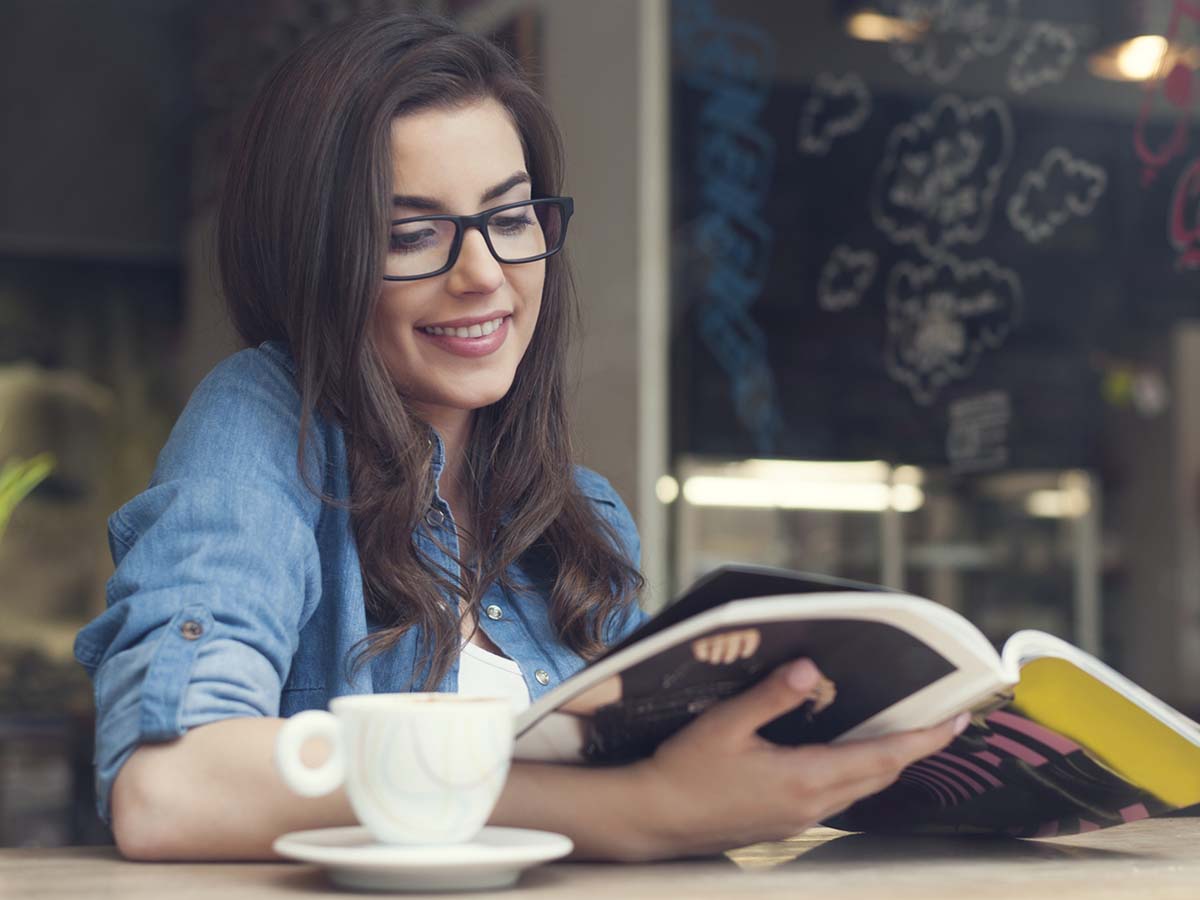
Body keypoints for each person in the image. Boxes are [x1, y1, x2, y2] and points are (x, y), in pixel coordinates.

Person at [73, 11, 965, 862]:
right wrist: (634, 814)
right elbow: (169, 786)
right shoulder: (268, 423)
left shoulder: (586, 518)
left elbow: (668, 787)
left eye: (508, 219)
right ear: (315, 255)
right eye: (413, 233)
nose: (482, 274)